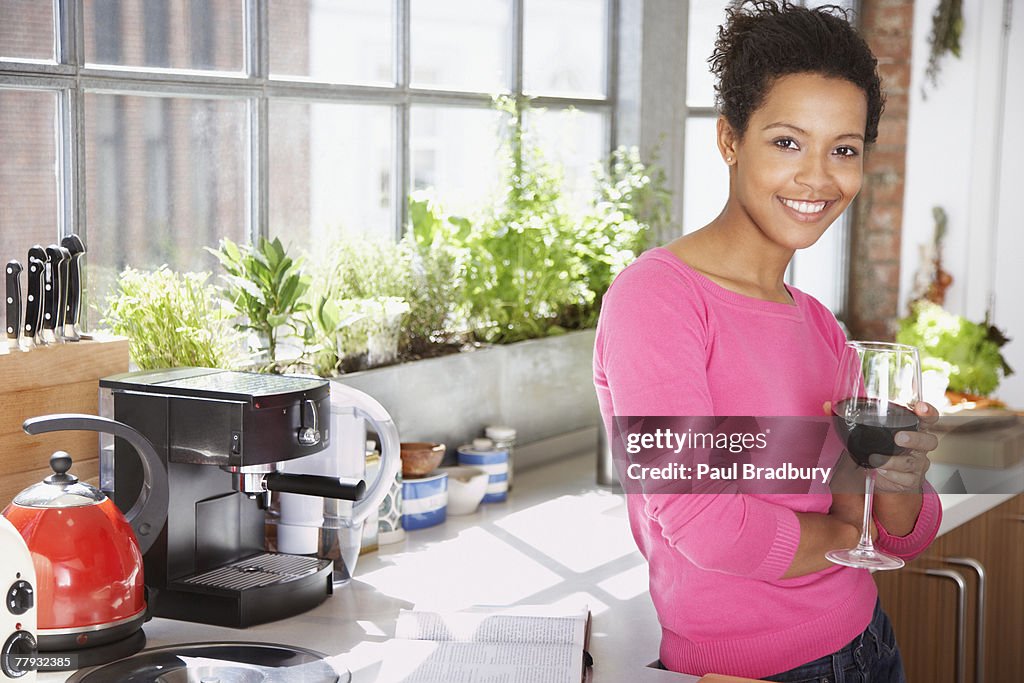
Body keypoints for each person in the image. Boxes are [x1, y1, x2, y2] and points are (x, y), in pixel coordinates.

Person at [593, 2, 943, 680]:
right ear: (730, 139)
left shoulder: (818, 324)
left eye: (843, 148)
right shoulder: (656, 299)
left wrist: (902, 477)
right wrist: (848, 535)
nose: (818, 176)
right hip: (752, 670)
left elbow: (898, 530)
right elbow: (705, 525)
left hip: (870, 643)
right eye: (788, 141)